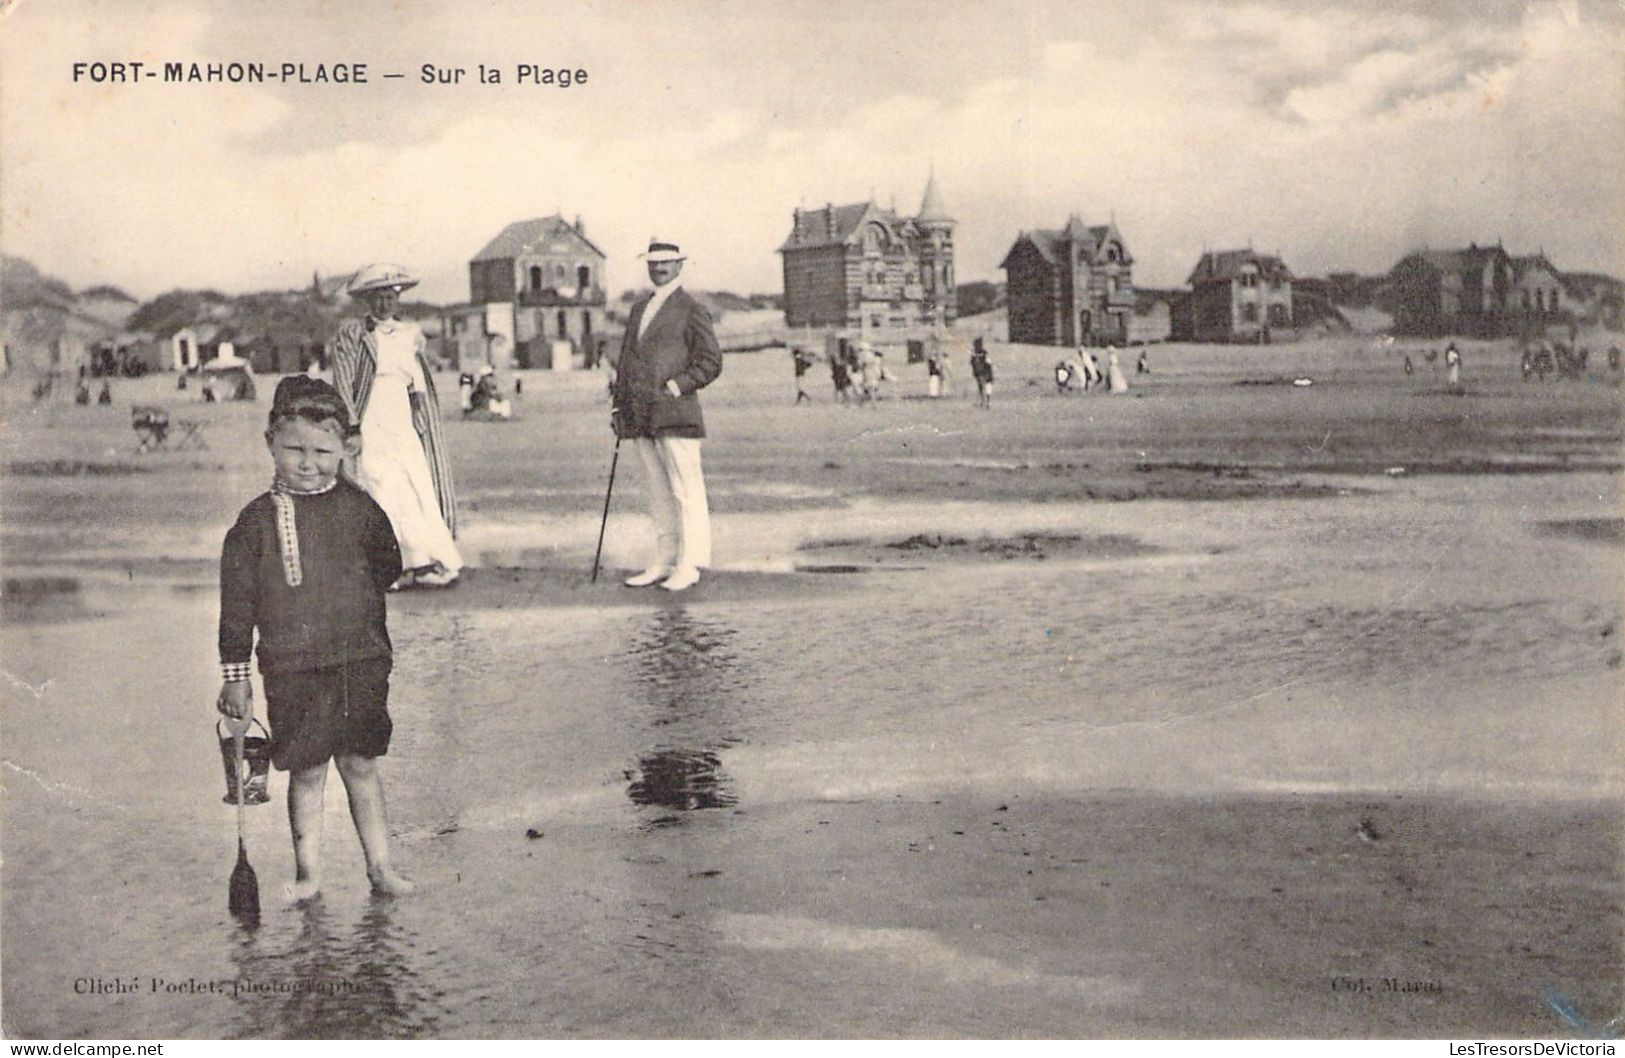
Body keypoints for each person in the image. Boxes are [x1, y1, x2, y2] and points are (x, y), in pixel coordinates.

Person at [216, 376, 415, 900]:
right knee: (305, 771)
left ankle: (381, 868)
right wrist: (236, 678)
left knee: (360, 765)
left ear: (346, 448)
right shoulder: (255, 521)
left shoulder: (361, 508)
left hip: (361, 660)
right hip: (292, 667)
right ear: (270, 443)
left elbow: (388, 566)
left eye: (324, 451)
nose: (308, 462)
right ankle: (309, 875)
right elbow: (237, 606)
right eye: (294, 449)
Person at [328, 263, 461, 589]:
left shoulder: (410, 334)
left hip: (401, 416)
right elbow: (344, 380)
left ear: (398, 299)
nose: (384, 304)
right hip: (370, 413)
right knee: (380, 484)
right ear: (368, 300)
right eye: (378, 298)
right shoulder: (353, 333)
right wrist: (353, 426)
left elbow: (417, 381)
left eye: (390, 297)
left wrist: (421, 420)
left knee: (415, 483)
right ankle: (392, 565)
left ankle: (424, 560)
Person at [610, 238, 723, 593]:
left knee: (685, 490)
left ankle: (690, 563)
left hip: (676, 414)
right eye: (653, 263)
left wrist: (678, 385)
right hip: (640, 415)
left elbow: (711, 362)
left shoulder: (691, 308)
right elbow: (627, 361)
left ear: (679, 266)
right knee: (657, 492)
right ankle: (664, 560)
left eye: (665, 263)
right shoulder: (639, 308)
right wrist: (619, 405)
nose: (658, 269)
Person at [970, 338, 994, 408]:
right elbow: (972, 362)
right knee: (981, 387)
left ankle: (985, 402)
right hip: (979, 373)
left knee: (985, 387)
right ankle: (983, 401)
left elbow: (985, 358)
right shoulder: (974, 352)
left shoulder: (983, 353)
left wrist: (977, 356)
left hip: (984, 373)